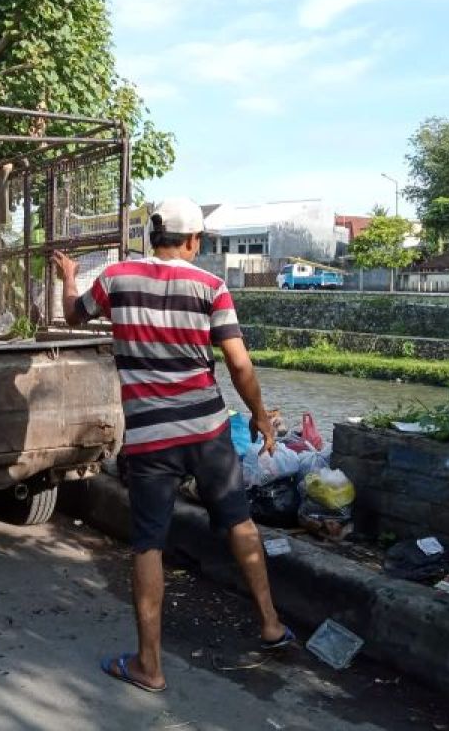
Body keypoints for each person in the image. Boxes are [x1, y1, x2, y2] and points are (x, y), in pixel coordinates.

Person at [53, 199, 291, 694]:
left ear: (152, 235)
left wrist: (69, 276)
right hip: (208, 431)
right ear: (193, 241)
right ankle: (270, 624)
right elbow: (239, 365)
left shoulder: (116, 277)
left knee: (148, 544)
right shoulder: (212, 287)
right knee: (238, 522)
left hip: (149, 439)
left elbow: (74, 316)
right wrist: (261, 416)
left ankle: (149, 666)